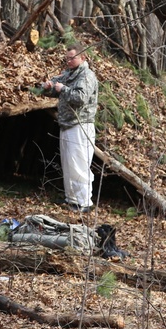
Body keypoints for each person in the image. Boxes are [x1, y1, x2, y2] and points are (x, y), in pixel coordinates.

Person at [42, 45, 98, 212]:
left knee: (79, 163)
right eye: (67, 58)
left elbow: (80, 98)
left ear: (83, 58)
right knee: (68, 164)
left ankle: (84, 202)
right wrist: (49, 87)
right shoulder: (69, 74)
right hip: (66, 123)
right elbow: (56, 88)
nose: (68, 61)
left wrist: (63, 89)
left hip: (80, 124)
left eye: (72, 58)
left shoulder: (86, 76)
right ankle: (72, 199)